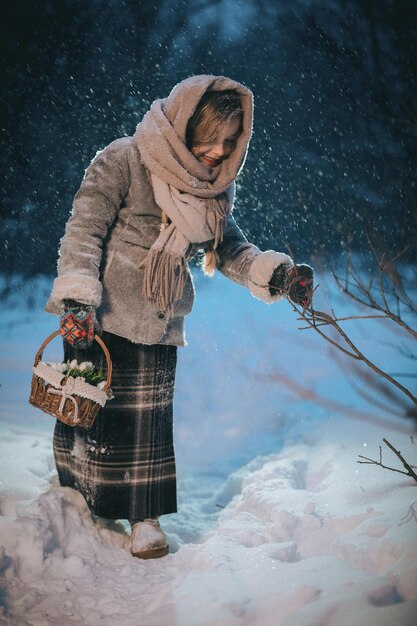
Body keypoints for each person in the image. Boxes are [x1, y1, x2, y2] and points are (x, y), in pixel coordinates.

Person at [45, 74, 313, 560]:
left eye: (230, 141)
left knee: (146, 426)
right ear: (185, 124)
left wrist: (274, 275)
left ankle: (143, 517)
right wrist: (78, 296)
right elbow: (83, 230)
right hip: (98, 317)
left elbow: (230, 248)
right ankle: (76, 496)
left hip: (161, 318)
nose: (217, 150)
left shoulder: (211, 190)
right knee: (88, 414)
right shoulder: (124, 158)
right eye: (211, 137)